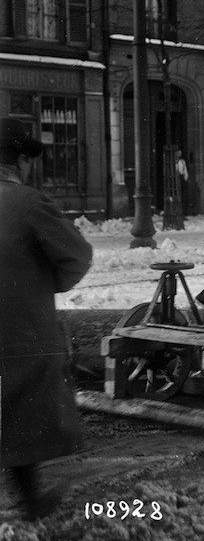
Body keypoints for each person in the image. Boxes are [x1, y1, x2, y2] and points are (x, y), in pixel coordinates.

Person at [0, 118, 92, 520]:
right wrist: (42, 282)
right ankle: (32, 501)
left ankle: (31, 499)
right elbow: (78, 256)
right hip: (18, 332)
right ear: (22, 160)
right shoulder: (27, 202)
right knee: (21, 413)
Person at [175, 149, 189, 214]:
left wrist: (185, 178)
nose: (179, 155)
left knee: (183, 194)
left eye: (180, 153)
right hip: (176, 177)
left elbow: (185, 170)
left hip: (181, 177)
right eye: (178, 153)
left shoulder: (182, 162)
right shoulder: (174, 162)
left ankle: (183, 211)